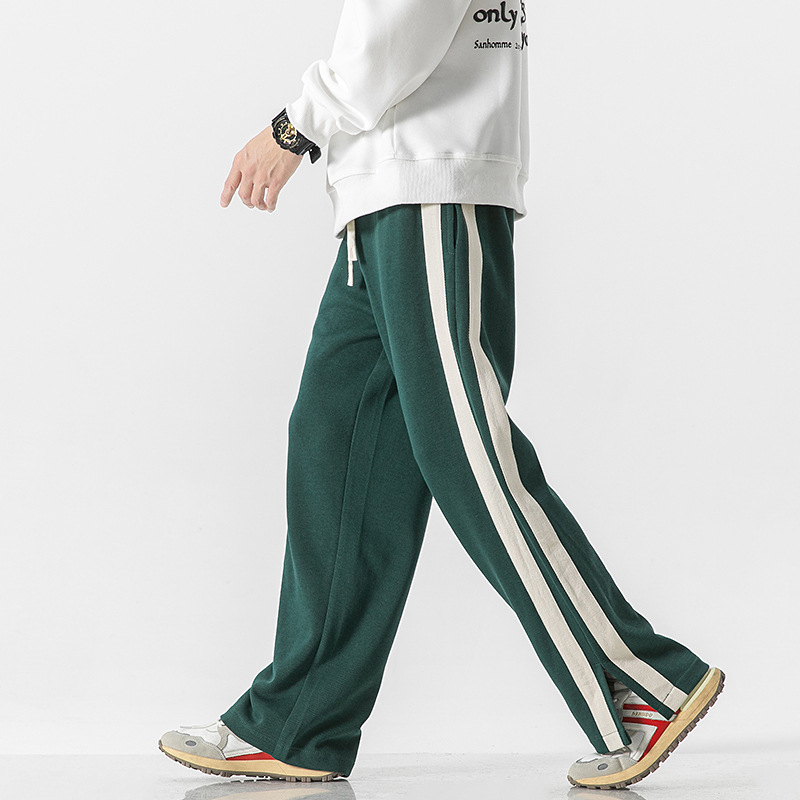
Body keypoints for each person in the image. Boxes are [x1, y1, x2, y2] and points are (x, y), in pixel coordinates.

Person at [158, 0, 724, 790]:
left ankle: (640, 683)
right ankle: (298, 722)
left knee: (467, 455)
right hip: (384, 198)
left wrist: (293, 129)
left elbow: (398, 26)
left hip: (428, 184)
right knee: (335, 442)